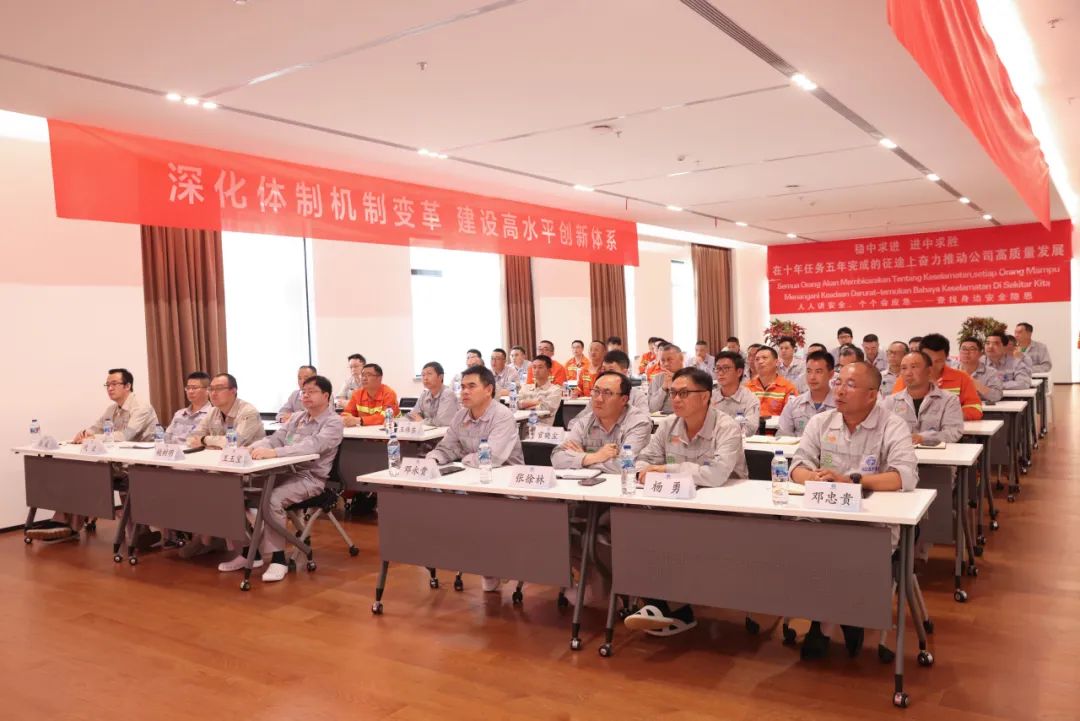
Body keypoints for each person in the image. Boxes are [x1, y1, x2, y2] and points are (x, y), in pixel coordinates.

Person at [789, 361, 918, 658]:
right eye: (838, 383)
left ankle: (824, 623)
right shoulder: (821, 422)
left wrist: (852, 482)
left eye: (850, 385)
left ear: (872, 394)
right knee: (799, 543)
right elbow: (797, 467)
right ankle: (843, 617)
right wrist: (814, 477)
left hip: (871, 521)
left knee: (844, 551)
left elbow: (904, 477)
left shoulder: (892, 425)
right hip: (824, 514)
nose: (839, 391)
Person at [623, 368, 747, 636]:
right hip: (676, 505)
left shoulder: (727, 427)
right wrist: (644, 470)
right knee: (638, 529)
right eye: (673, 393)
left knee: (674, 535)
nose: (676, 399)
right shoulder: (668, 425)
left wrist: (666, 470)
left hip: (721, 511)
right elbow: (644, 459)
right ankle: (663, 605)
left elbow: (715, 475)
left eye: (683, 393)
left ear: (705, 397)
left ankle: (671, 607)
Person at [217, 375, 343, 583]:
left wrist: (275, 453)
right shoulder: (297, 417)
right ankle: (249, 552)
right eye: (304, 392)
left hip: (309, 478)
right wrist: (252, 448)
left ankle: (278, 559)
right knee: (234, 490)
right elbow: (274, 439)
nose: (306, 395)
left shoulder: (334, 422)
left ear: (326, 396)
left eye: (312, 391)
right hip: (281, 472)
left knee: (273, 498)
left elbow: (313, 446)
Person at [27, 368, 160, 541]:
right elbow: (96, 427)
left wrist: (93, 438)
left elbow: (126, 436)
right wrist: (84, 434)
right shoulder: (112, 409)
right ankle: (65, 524)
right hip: (118, 462)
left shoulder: (141, 407)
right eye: (107, 384)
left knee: (92, 474)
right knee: (83, 472)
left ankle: (69, 524)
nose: (110, 388)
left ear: (127, 386)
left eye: (114, 384)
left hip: (142, 464)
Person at [426, 366, 524, 592]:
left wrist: (462, 458)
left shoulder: (502, 416)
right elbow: (447, 447)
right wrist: (432, 460)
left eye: (471, 386)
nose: (464, 392)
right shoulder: (460, 416)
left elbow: (492, 457)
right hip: (471, 484)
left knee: (481, 515)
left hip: (505, 489)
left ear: (489, 389)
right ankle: (486, 564)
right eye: (462, 387)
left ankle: (495, 564)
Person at [552, 371, 652, 472]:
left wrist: (581, 459)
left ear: (623, 400)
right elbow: (557, 458)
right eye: (596, 391)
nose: (599, 399)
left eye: (607, 393)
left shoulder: (639, 423)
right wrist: (595, 456)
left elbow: (625, 465)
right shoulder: (584, 422)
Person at [892, 333, 984, 420]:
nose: (932, 365)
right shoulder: (906, 378)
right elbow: (895, 408)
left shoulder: (962, 378)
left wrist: (949, 415)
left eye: (938, 361)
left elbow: (975, 408)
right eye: (928, 360)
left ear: (947, 357)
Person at [887, 352, 964, 445]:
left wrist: (923, 438)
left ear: (929, 371)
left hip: (937, 453)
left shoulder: (949, 400)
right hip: (900, 452)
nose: (908, 373)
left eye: (914, 367)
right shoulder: (890, 402)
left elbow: (953, 432)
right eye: (904, 368)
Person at [188, 373, 264, 448]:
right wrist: (209, 442)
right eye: (211, 389)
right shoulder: (213, 411)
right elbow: (192, 437)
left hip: (251, 455)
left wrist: (204, 440)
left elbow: (234, 442)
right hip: (217, 455)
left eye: (219, 389)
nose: (213, 393)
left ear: (233, 391)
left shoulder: (248, 412)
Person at [777, 350, 836, 437]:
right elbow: (783, 436)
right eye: (809, 371)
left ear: (831, 374)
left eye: (818, 372)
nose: (812, 377)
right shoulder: (793, 405)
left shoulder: (840, 405)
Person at [710, 350, 759, 437]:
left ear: (739, 372)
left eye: (726, 368)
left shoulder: (750, 399)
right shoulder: (709, 397)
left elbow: (749, 429)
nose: (720, 373)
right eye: (718, 368)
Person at [747, 346, 797, 418]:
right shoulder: (747, 388)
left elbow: (792, 416)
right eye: (757, 359)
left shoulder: (788, 388)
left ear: (776, 362)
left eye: (764, 358)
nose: (760, 362)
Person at [164, 371, 211, 444]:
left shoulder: (213, 414)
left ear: (207, 390)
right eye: (188, 388)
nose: (190, 391)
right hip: (173, 450)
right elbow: (166, 438)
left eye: (194, 388)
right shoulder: (179, 414)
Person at [408, 361, 460, 426]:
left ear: (440, 377)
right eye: (423, 375)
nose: (425, 378)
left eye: (429, 374)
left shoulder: (448, 394)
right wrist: (419, 419)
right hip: (429, 431)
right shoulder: (424, 395)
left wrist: (421, 421)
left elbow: (442, 421)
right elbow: (413, 415)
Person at [954, 337, 1004, 403]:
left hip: (982, 409)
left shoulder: (991, 372)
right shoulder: (951, 371)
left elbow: (997, 396)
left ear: (980, 353)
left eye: (972, 349)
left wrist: (976, 384)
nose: (967, 352)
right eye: (964, 349)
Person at [518, 355, 562, 425]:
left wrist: (524, 405)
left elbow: (545, 409)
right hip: (521, 427)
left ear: (549, 371)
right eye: (534, 367)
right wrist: (537, 402)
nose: (536, 370)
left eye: (540, 367)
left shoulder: (555, 390)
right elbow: (516, 404)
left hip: (541, 428)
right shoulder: (525, 387)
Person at [601, 350, 649, 414]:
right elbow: (588, 417)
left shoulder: (637, 396)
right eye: (604, 370)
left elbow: (644, 418)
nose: (606, 374)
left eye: (611, 371)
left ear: (624, 373)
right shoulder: (598, 395)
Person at [647, 343, 686, 414]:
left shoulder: (690, 378)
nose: (666, 364)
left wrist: (672, 387)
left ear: (681, 358)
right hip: (659, 420)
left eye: (669, 360)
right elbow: (652, 409)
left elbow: (688, 406)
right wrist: (663, 388)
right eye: (662, 360)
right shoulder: (657, 378)